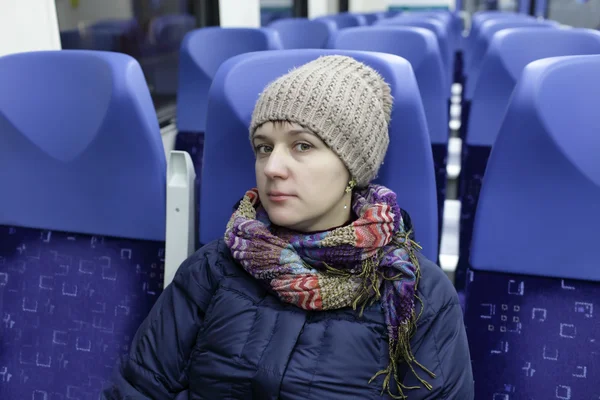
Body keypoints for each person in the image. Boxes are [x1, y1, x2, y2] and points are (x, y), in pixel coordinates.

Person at [102, 55, 474, 399]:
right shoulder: (212, 268)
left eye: (302, 146)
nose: (272, 167)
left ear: (351, 168)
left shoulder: (417, 293)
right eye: (264, 148)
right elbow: (140, 389)